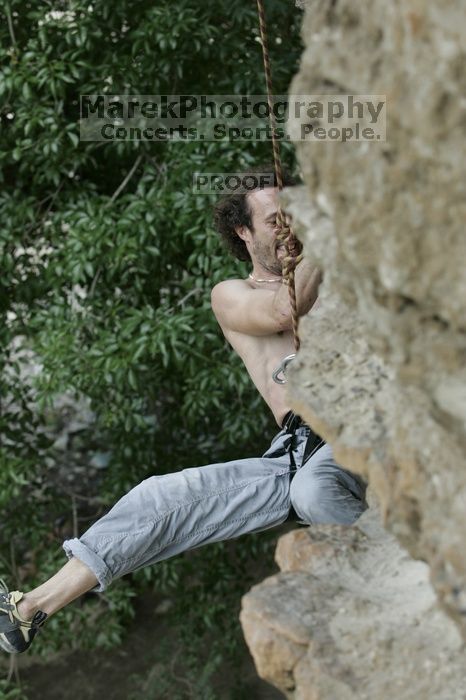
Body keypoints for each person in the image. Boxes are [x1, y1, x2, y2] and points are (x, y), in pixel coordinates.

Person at [0, 169, 367, 654]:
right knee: (162, 498)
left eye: (298, 217)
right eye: (277, 220)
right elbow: (284, 311)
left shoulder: (340, 276)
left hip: (371, 423)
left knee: (313, 488)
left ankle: (406, 560)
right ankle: (26, 611)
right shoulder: (233, 294)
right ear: (243, 231)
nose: (291, 230)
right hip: (304, 449)